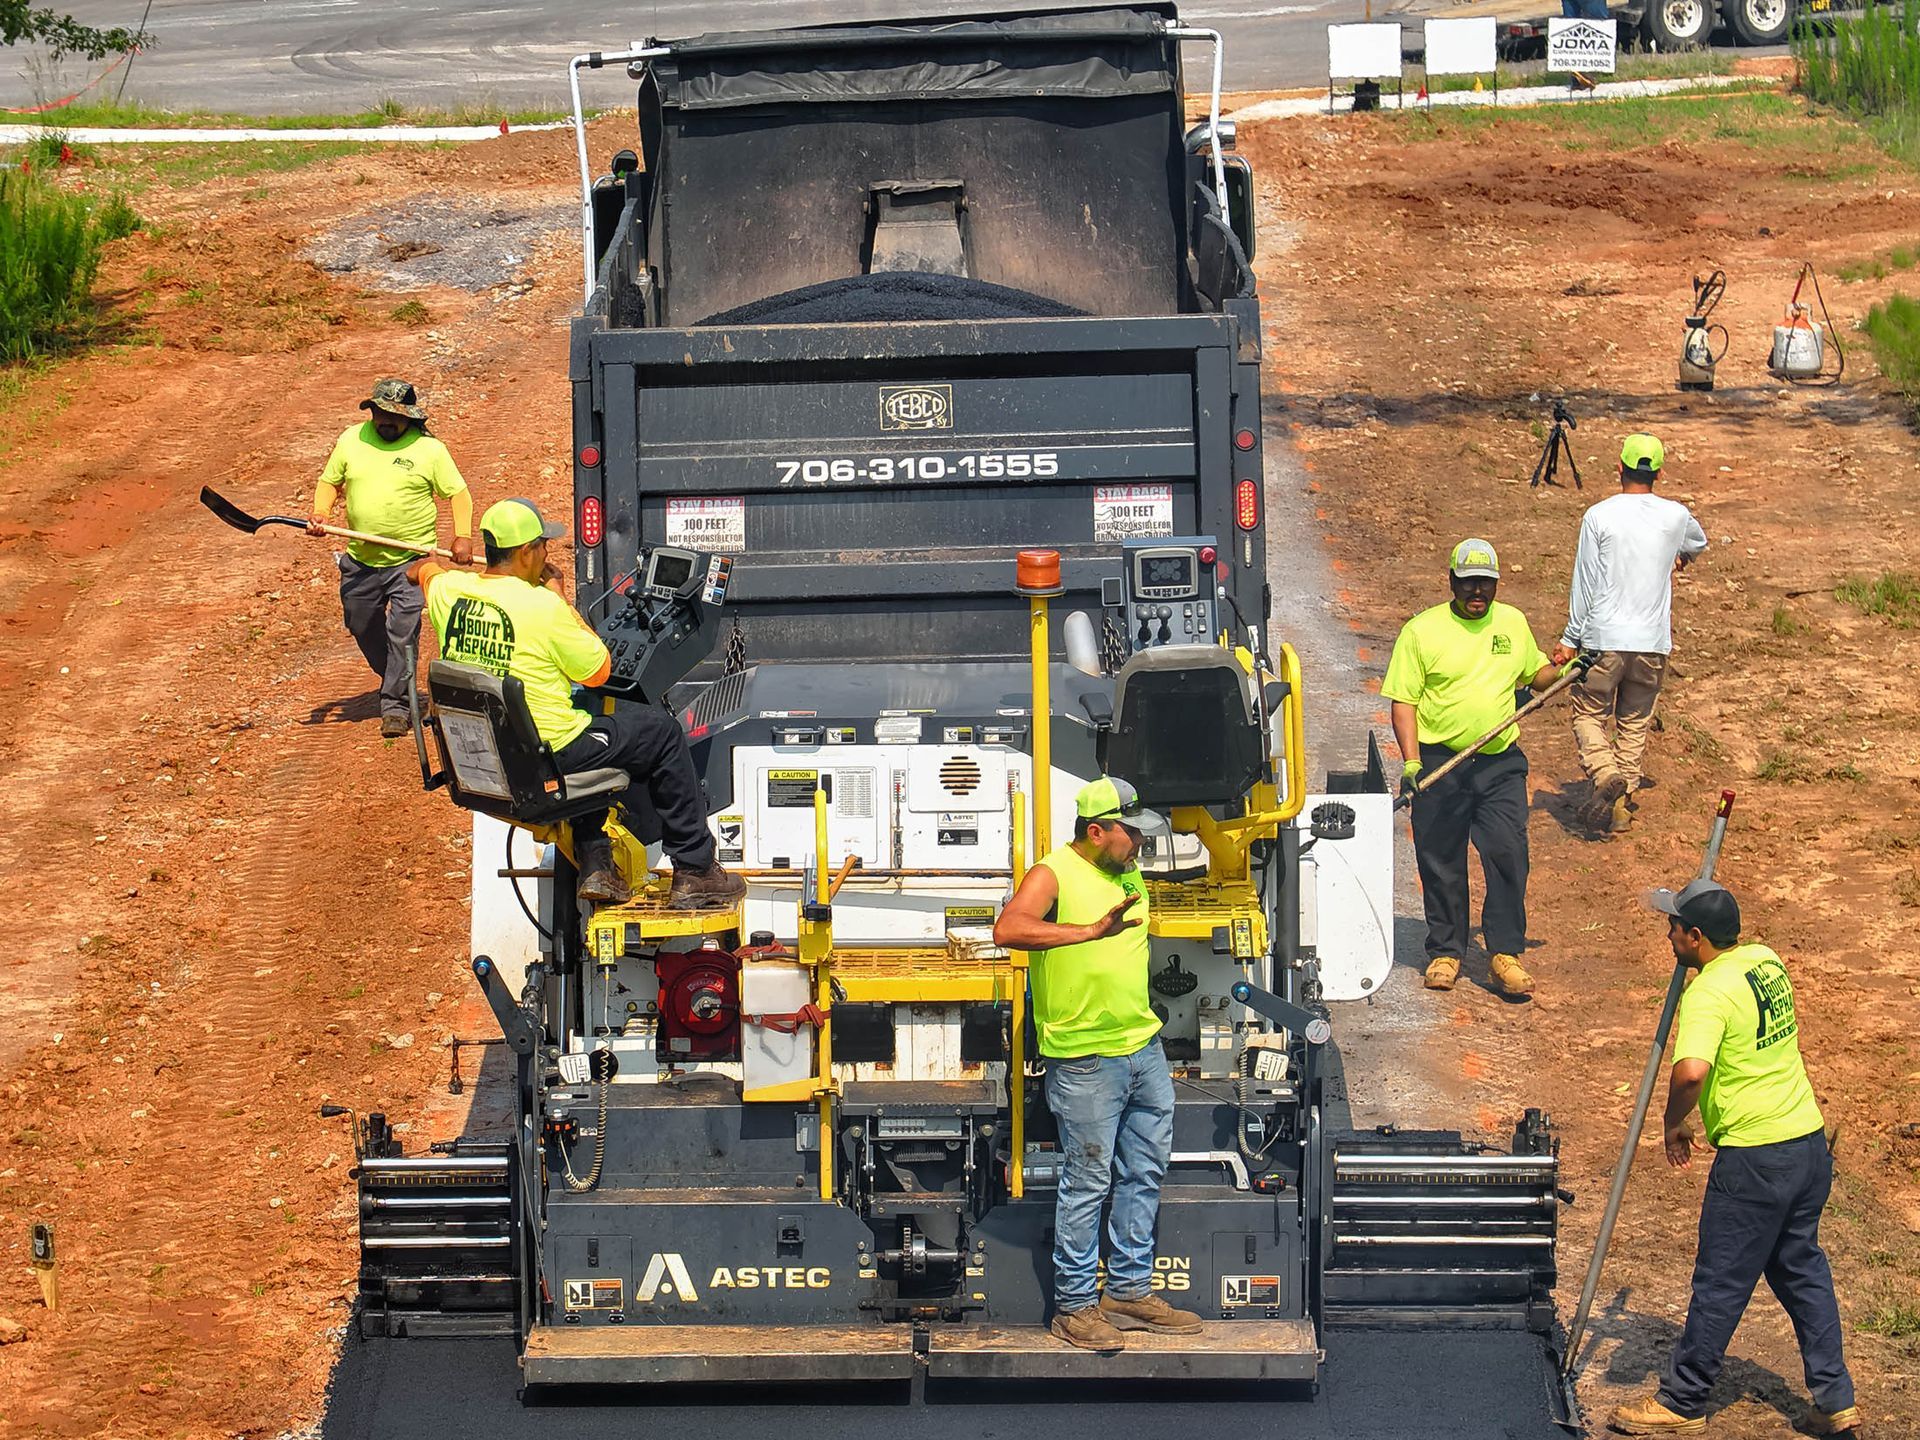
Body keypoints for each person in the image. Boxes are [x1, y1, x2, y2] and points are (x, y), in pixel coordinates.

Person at [1609, 880, 1858, 1437]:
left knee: (1721, 1280)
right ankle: (1835, 1396)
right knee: (1801, 1269)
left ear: (1695, 937)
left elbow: (1692, 1072)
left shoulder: (1707, 994)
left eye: (1674, 927)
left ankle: (1683, 1400)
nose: (1667, 933)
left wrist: (1674, 1125)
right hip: (1807, 1144)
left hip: (1756, 1161)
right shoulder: (1765, 961)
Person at [411, 498, 745, 911]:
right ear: (525, 552)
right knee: (660, 733)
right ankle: (696, 869)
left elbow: (423, 572)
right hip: (551, 754)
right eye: (543, 545)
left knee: (589, 711)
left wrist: (427, 563)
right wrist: (560, 598)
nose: (548, 553)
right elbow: (599, 670)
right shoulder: (544, 608)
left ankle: (597, 863)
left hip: (486, 758)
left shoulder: (449, 592)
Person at [992, 777, 1203, 1352]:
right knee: (1087, 1182)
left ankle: (1129, 1291)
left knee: (1144, 1173)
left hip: (1142, 1049)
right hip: (1085, 1058)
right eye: (1129, 833)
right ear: (1096, 831)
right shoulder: (1053, 872)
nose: (1138, 843)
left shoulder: (1125, 872)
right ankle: (1075, 1307)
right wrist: (1086, 931)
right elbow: (1008, 928)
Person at [1383, 538, 1565, 999]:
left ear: (1497, 583)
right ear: (1452, 582)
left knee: (1507, 852)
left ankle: (1505, 952)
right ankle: (1446, 950)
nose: (1477, 592)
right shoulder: (1422, 631)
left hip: (1500, 763)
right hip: (1440, 762)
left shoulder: (1512, 623)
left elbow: (1535, 675)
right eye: (1468, 583)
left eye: (1485, 583)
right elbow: (1404, 702)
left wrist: (1563, 669)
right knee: (1440, 859)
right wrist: (1411, 763)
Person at [1551, 434, 1708, 836]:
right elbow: (1698, 541)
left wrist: (1570, 638)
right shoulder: (1675, 516)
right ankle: (1621, 808)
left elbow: (1584, 582)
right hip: (1652, 642)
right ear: (1657, 473)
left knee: (1588, 713)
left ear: (1618, 468)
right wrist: (1680, 555)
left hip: (1604, 637)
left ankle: (1605, 775)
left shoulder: (1599, 516)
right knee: (1634, 723)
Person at [311, 379, 474, 737]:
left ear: (410, 419)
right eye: (381, 413)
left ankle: (396, 707)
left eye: (395, 416)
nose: (386, 421)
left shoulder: (429, 450)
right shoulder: (351, 439)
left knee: (402, 636)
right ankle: (397, 680)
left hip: (413, 563)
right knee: (360, 623)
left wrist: (462, 535)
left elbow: (458, 494)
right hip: (361, 560)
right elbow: (329, 482)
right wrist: (321, 513)